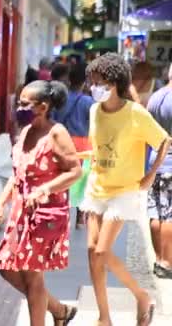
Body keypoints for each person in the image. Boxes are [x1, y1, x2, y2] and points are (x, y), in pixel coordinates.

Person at [81, 53, 171, 326]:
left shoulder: (136, 114)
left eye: (100, 81)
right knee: (91, 253)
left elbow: (164, 141)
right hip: (97, 188)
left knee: (101, 252)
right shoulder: (94, 111)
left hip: (125, 191)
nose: (94, 86)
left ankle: (141, 296)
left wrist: (149, 176)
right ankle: (104, 318)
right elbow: (96, 147)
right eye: (92, 80)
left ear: (115, 82)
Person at [0, 80, 81, 326]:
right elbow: (17, 173)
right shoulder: (26, 131)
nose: (18, 108)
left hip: (43, 215)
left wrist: (45, 188)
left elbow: (75, 171)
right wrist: (0, 203)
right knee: (6, 266)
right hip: (21, 212)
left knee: (33, 278)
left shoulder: (57, 133)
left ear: (42, 107)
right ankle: (59, 309)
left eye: (23, 104)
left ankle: (52, 315)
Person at [52, 63, 95, 229]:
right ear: (85, 82)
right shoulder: (88, 101)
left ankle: (60, 210)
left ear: (69, 80)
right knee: (81, 180)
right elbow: (94, 123)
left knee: (61, 176)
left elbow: (53, 118)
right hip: (82, 145)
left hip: (61, 141)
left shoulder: (60, 99)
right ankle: (79, 217)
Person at [146, 64, 172, 279]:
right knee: (170, 215)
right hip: (170, 162)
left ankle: (157, 258)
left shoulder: (155, 97)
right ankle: (167, 261)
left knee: (156, 212)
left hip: (155, 161)